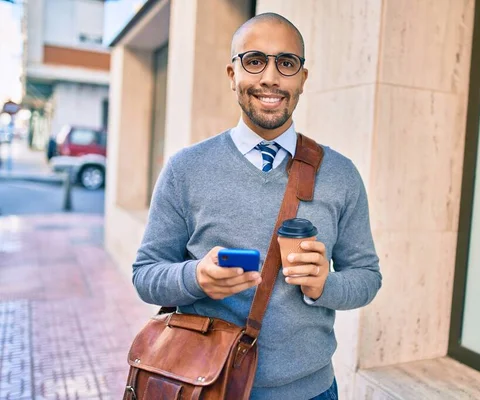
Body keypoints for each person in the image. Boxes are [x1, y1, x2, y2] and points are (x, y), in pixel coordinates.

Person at [132, 12, 382, 400]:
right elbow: (146, 275)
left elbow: (367, 277)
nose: (270, 78)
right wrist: (197, 277)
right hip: (208, 385)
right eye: (254, 61)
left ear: (302, 78)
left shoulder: (341, 174)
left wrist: (324, 285)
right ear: (233, 75)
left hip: (311, 392)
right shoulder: (186, 168)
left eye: (286, 63)